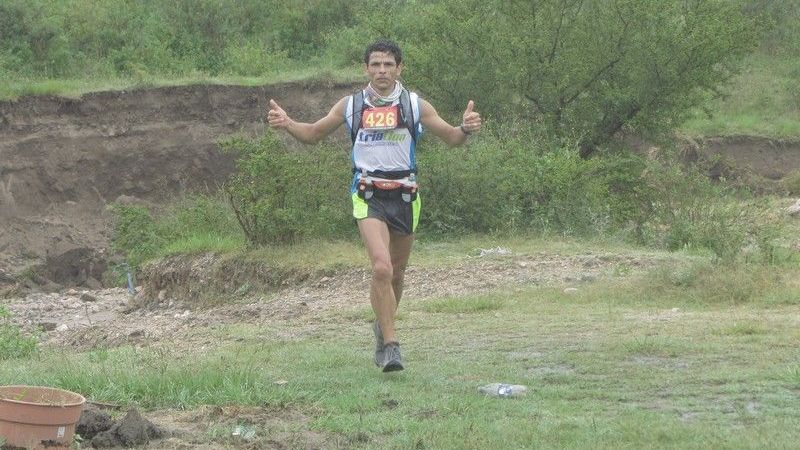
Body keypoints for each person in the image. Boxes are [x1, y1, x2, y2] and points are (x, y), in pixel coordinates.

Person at [267, 39, 481, 372]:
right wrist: (288, 123)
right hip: (367, 194)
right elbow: (313, 134)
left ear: (400, 68)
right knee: (381, 267)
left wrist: (465, 128)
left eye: (388, 64)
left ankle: (383, 325)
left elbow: (452, 138)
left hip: (406, 195)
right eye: (376, 65)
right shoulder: (351, 105)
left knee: (396, 273)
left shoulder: (414, 105)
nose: (382, 70)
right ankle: (391, 347)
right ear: (366, 69)